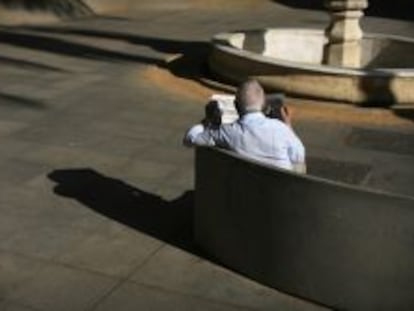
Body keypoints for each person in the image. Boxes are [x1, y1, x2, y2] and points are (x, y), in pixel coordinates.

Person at [183, 79, 306, 173]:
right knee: (299, 164)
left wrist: (207, 122)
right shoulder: (281, 129)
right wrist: (288, 125)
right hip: (281, 195)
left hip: (244, 194)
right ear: (263, 105)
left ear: (236, 106)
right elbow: (299, 156)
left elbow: (190, 138)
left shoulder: (227, 132)